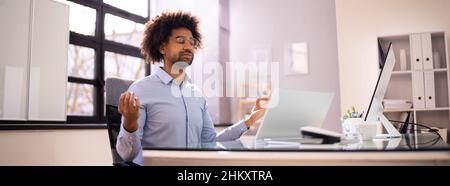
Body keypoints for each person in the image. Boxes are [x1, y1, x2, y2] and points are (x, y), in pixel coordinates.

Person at [116, 11, 268, 165]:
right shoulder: (140, 90)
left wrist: (249, 120)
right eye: (180, 41)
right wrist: (130, 123)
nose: (188, 46)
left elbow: (210, 142)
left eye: (192, 42)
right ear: (162, 47)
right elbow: (126, 155)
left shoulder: (196, 94)